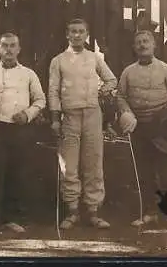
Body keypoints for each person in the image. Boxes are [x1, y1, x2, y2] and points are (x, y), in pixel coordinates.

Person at [0, 33, 46, 237]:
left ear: (19, 49)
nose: (9, 50)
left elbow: (40, 100)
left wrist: (27, 114)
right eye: (4, 46)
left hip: (20, 130)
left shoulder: (28, 74)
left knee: (18, 172)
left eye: (13, 46)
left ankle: (13, 218)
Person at [48, 18, 117, 230]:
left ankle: (93, 211)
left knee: (93, 163)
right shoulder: (58, 60)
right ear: (67, 35)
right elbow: (53, 91)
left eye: (81, 32)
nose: (77, 35)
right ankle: (72, 211)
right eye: (73, 31)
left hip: (92, 114)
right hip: (69, 116)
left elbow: (112, 80)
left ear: (87, 34)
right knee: (69, 165)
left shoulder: (94, 58)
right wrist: (55, 119)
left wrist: (99, 93)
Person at [116, 30, 167, 230]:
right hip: (139, 127)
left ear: (154, 45)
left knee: (166, 172)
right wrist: (126, 113)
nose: (142, 45)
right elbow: (120, 96)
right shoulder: (128, 71)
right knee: (144, 172)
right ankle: (149, 213)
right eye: (138, 42)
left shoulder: (166, 69)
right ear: (134, 47)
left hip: (162, 127)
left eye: (146, 41)